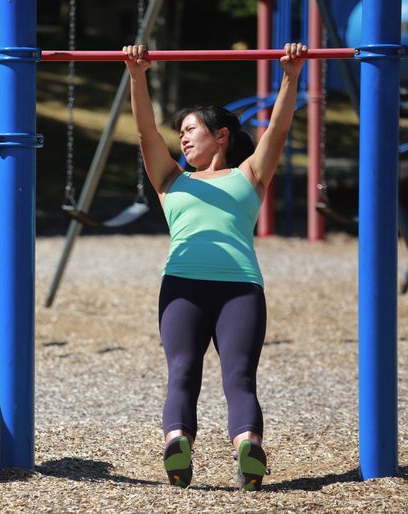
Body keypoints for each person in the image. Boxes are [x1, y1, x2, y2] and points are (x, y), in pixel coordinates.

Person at [123, 42, 308, 491]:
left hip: (240, 289)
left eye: (191, 130)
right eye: (181, 132)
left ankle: (248, 448)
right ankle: (177, 443)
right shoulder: (171, 179)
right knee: (183, 371)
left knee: (238, 375)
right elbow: (147, 133)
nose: (183, 138)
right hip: (183, 288)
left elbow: (277, 133)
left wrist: (290, 75)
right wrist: (137, 75)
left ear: (221, 135)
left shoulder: (249, 174)